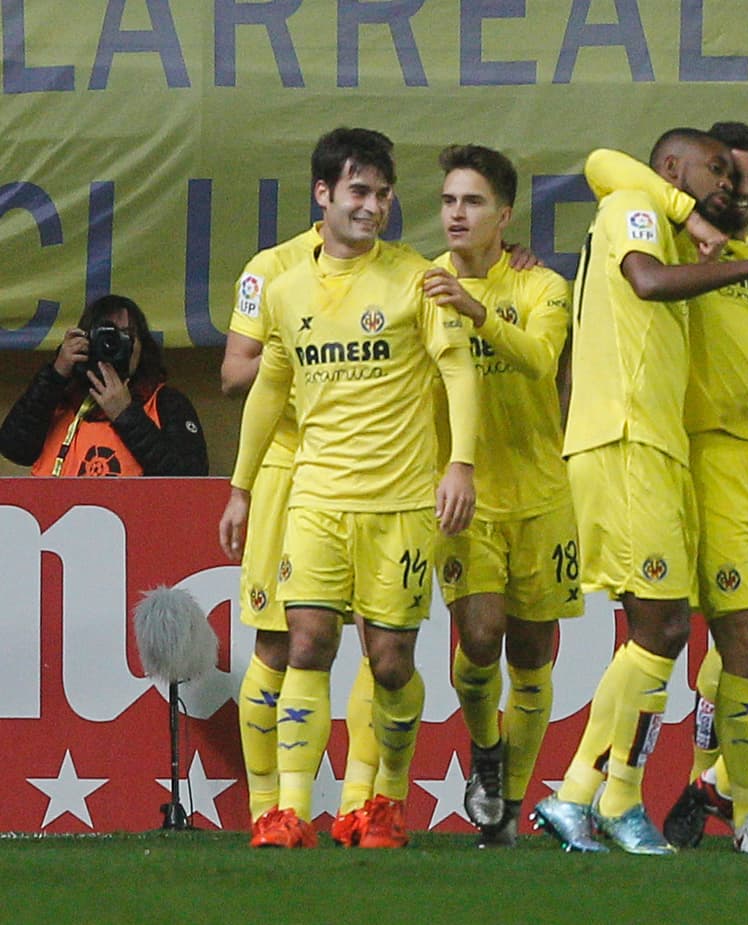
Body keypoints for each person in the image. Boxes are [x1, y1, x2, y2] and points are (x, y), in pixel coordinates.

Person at [531, 128, 748, 855]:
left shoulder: (674, 230)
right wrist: (724, 241)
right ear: (672, 169)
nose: (726, 185)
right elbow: (643, 272)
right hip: (624, 439)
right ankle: (584, 795)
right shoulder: (634, 206)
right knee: (661, 629)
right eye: (714, 170)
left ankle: (607, 797)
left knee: (664, 630)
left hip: (654, 445)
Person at [218, 127, 479, 849]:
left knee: (390, 662)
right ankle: (288, 812)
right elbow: (268, 389)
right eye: (359, 191)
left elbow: (458, 369)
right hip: (316, 498)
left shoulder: (417, 280)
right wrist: (241, 486)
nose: (373, 206)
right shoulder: (285, 288)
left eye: (384, 194)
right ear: (323, 194)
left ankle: (386, 799)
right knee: (307, 643)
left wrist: (460, 464)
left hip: (400, 504)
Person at [418, 144, 583, 848]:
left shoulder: (542, 285)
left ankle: (509, 803)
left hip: (543, 493)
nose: (457, 213)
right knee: (480, 636)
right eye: (449, 200)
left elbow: (542, 359)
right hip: (467, 496)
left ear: (505, 214)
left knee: (534, 654)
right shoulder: (421, 285)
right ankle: (486, 750)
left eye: (474, 201)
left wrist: (479, 310)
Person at [0, 294, 207, 477]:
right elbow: (14, 449)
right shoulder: (61, 397)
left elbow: (190, 478)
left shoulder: (165, 402)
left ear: (141, 346)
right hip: (56, 510)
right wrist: (56, 373)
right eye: (105, 336)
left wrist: (126, 415)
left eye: (126, 335)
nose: (113, 344)